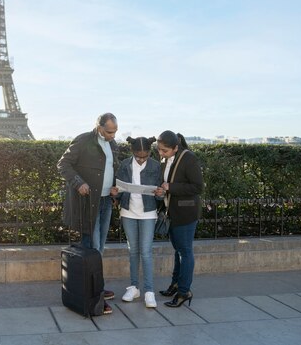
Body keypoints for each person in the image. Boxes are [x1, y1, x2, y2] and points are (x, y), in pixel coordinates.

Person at [57, 112, 120, 315]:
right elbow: (63, 164)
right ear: (99, 127)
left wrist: (113, 187)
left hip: (105, 201)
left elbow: (110, 170)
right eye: (109, 132)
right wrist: (78, 183)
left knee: (98, 248)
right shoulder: (84, 140)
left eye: (115, 131)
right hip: (88, 204)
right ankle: (93, 296)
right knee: (91, 247)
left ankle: (95, 289)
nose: (112, 135)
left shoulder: (113, 145)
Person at [154, 130, 203, 308]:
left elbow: (198, 187)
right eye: (159, 150)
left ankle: (184, 291)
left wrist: (171, 187)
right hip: (172, 212)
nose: (161, 153)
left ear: (175, 147)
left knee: (185, 252)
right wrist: (161, 189)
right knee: (178, 251)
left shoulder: (188, 158)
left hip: (185, 214)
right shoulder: (168, 158)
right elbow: (166, 183)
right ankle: (176, 285)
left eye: (164, 151)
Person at [116, 136, 163, 308]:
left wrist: (160, 193)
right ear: (132, 152)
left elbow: (161, 191)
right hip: (128, 211)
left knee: (146, 251)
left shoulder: (156, 166)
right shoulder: (124, 165)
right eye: (138, 156)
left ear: (150, 152)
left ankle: (149, 291)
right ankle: (134, 287)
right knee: (133, 250)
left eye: (145, 156)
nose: (142, 159)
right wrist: (116, 192)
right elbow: (119, 190)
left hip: (148, 212)